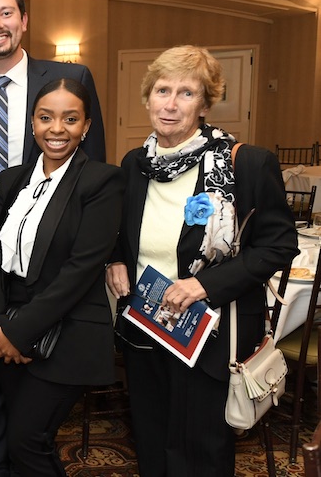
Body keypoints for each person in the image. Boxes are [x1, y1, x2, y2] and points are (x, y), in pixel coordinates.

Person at [105, 45, 297, 475]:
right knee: (151, 437)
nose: (170, 104)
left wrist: (204, 285)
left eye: (186, 93)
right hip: (147, 322)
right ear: (148, 96)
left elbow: (279, 245)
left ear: (206, 103)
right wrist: (114, 260)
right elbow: (125, 230)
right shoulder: (136, 163)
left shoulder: (245, 163)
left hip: (211, 329)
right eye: (162, 90)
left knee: (200, 447)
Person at [0, 0, 106, 475]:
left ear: (24, 20)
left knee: (43, 374)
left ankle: (29, 454)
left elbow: (93, 172)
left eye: (6, 13)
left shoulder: (68, 78)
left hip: (53, 260)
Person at [0, 78, 123, 476]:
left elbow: (80, 272)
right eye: (46, 117)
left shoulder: (102, 182)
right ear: (32, 123)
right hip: (8, 332)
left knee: (27, 442)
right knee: (18, 441)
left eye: (70, 119)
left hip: (68, 332)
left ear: (86, 127)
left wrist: (19, 333)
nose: (56, 129)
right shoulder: (11, 180)